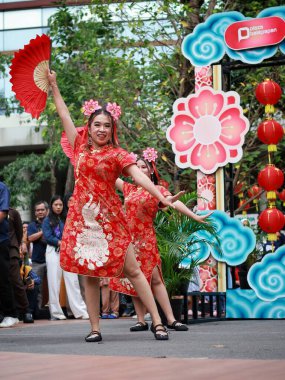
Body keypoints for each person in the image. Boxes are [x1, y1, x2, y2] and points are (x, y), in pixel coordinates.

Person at [48, 70, 179, 342]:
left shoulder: (119, 155)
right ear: (90, 126)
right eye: (97, 124)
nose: (101, 129)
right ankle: (95, 328)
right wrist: (54, 86)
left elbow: (141, 177)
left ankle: (157, 322)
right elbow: (64, 115)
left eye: (106, 125)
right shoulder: (79, 148)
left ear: (112, 129)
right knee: (91, 275)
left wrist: (161, 197)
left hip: (110, 220)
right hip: (84, 222)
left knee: (133, 270)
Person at [109, 152, 211, 331]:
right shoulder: (128, 188)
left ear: (150, 171)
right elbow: (109, 175)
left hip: (146, 238)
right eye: (136, 167)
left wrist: (194, 216)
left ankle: (170, 319)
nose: (138, 170)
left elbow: (173, 202)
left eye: (143, 167)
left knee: (156, 279)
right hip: (128, 239)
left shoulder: (157, 190)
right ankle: (140, 320)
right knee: (134, 279)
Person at [42, 195, 89, 321]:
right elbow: (47, 236)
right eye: (56, 205)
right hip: (53, 251)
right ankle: (56, 313)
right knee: (53, 282)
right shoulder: (47, 220)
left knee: (72, 280)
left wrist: (68, 243)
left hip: (68, 250)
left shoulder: (67, 217)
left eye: (60, 205)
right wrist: (59, 242)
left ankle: (80, 311)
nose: (58, 207)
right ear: (51, 206)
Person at [8, 207, 34, 323]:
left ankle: (26, 311)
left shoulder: (12, 212)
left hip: (10, 251)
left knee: (16, 281)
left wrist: (16, 245)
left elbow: (19, 232)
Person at [0, 181, 19, 328]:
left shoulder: (2, 187)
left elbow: (2, 213)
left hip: (1, 241)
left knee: (3, 278)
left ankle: (11, 314)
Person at [27, 201, 48, 309]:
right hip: (37, 261)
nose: (40, 212)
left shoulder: (52, 224)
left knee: (53, 286)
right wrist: (44, 231)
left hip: (51, 259)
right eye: (37, 210)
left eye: (42, 210)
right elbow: (30, 238)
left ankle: (53, 310)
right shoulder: (32, 225)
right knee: (37, 286)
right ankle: (37, 310)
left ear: (47, 211)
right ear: (35, 212)